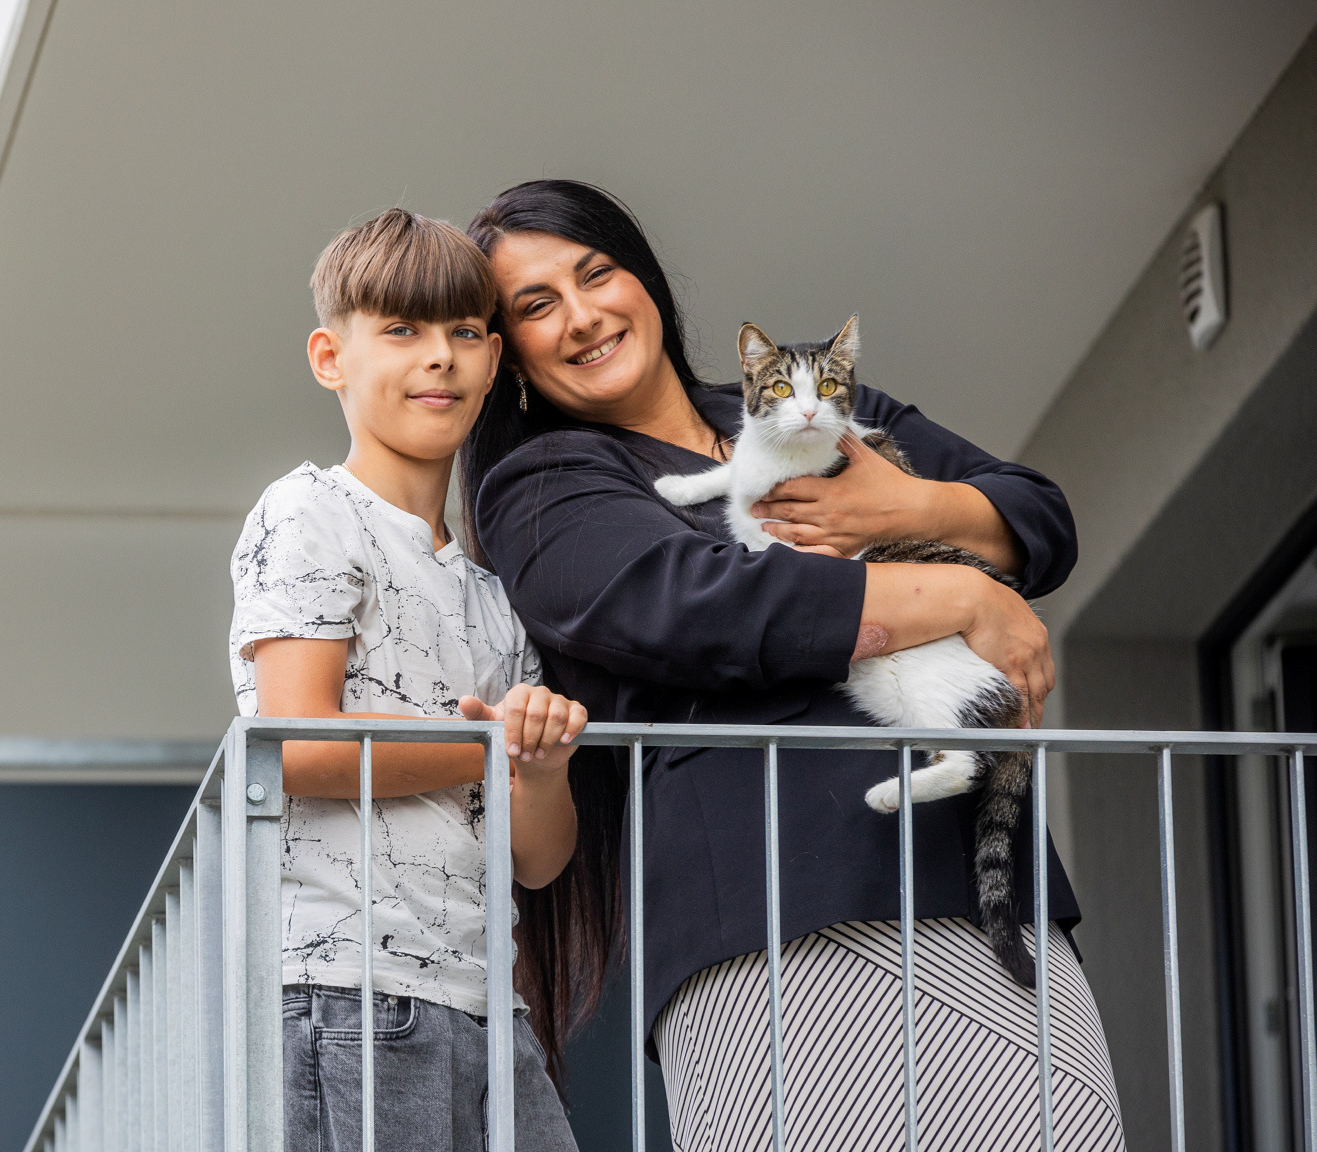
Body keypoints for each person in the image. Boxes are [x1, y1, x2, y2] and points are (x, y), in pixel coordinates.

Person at [461, 180, 1124, 1149]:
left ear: (642, 277)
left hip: (966, 879)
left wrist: (908, 509)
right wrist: (963, 596)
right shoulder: (542, 486)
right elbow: (696, 604)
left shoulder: (818, 408)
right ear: (509, 353)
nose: (581, 315)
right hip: (765, 911)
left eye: (596, 274)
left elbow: (1038, 517)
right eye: (536, 305)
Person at [229, 208, 587, 1151]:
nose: (440, 357)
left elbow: (540, 860)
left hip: (488, 1002)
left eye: (464, 331)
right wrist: (489, 747)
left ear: (495, 360)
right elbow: (297, 744)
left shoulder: (495, 595)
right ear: (330, 358)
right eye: (401, 329)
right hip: (344, 990)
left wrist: (540, 765)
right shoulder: (310, 510)